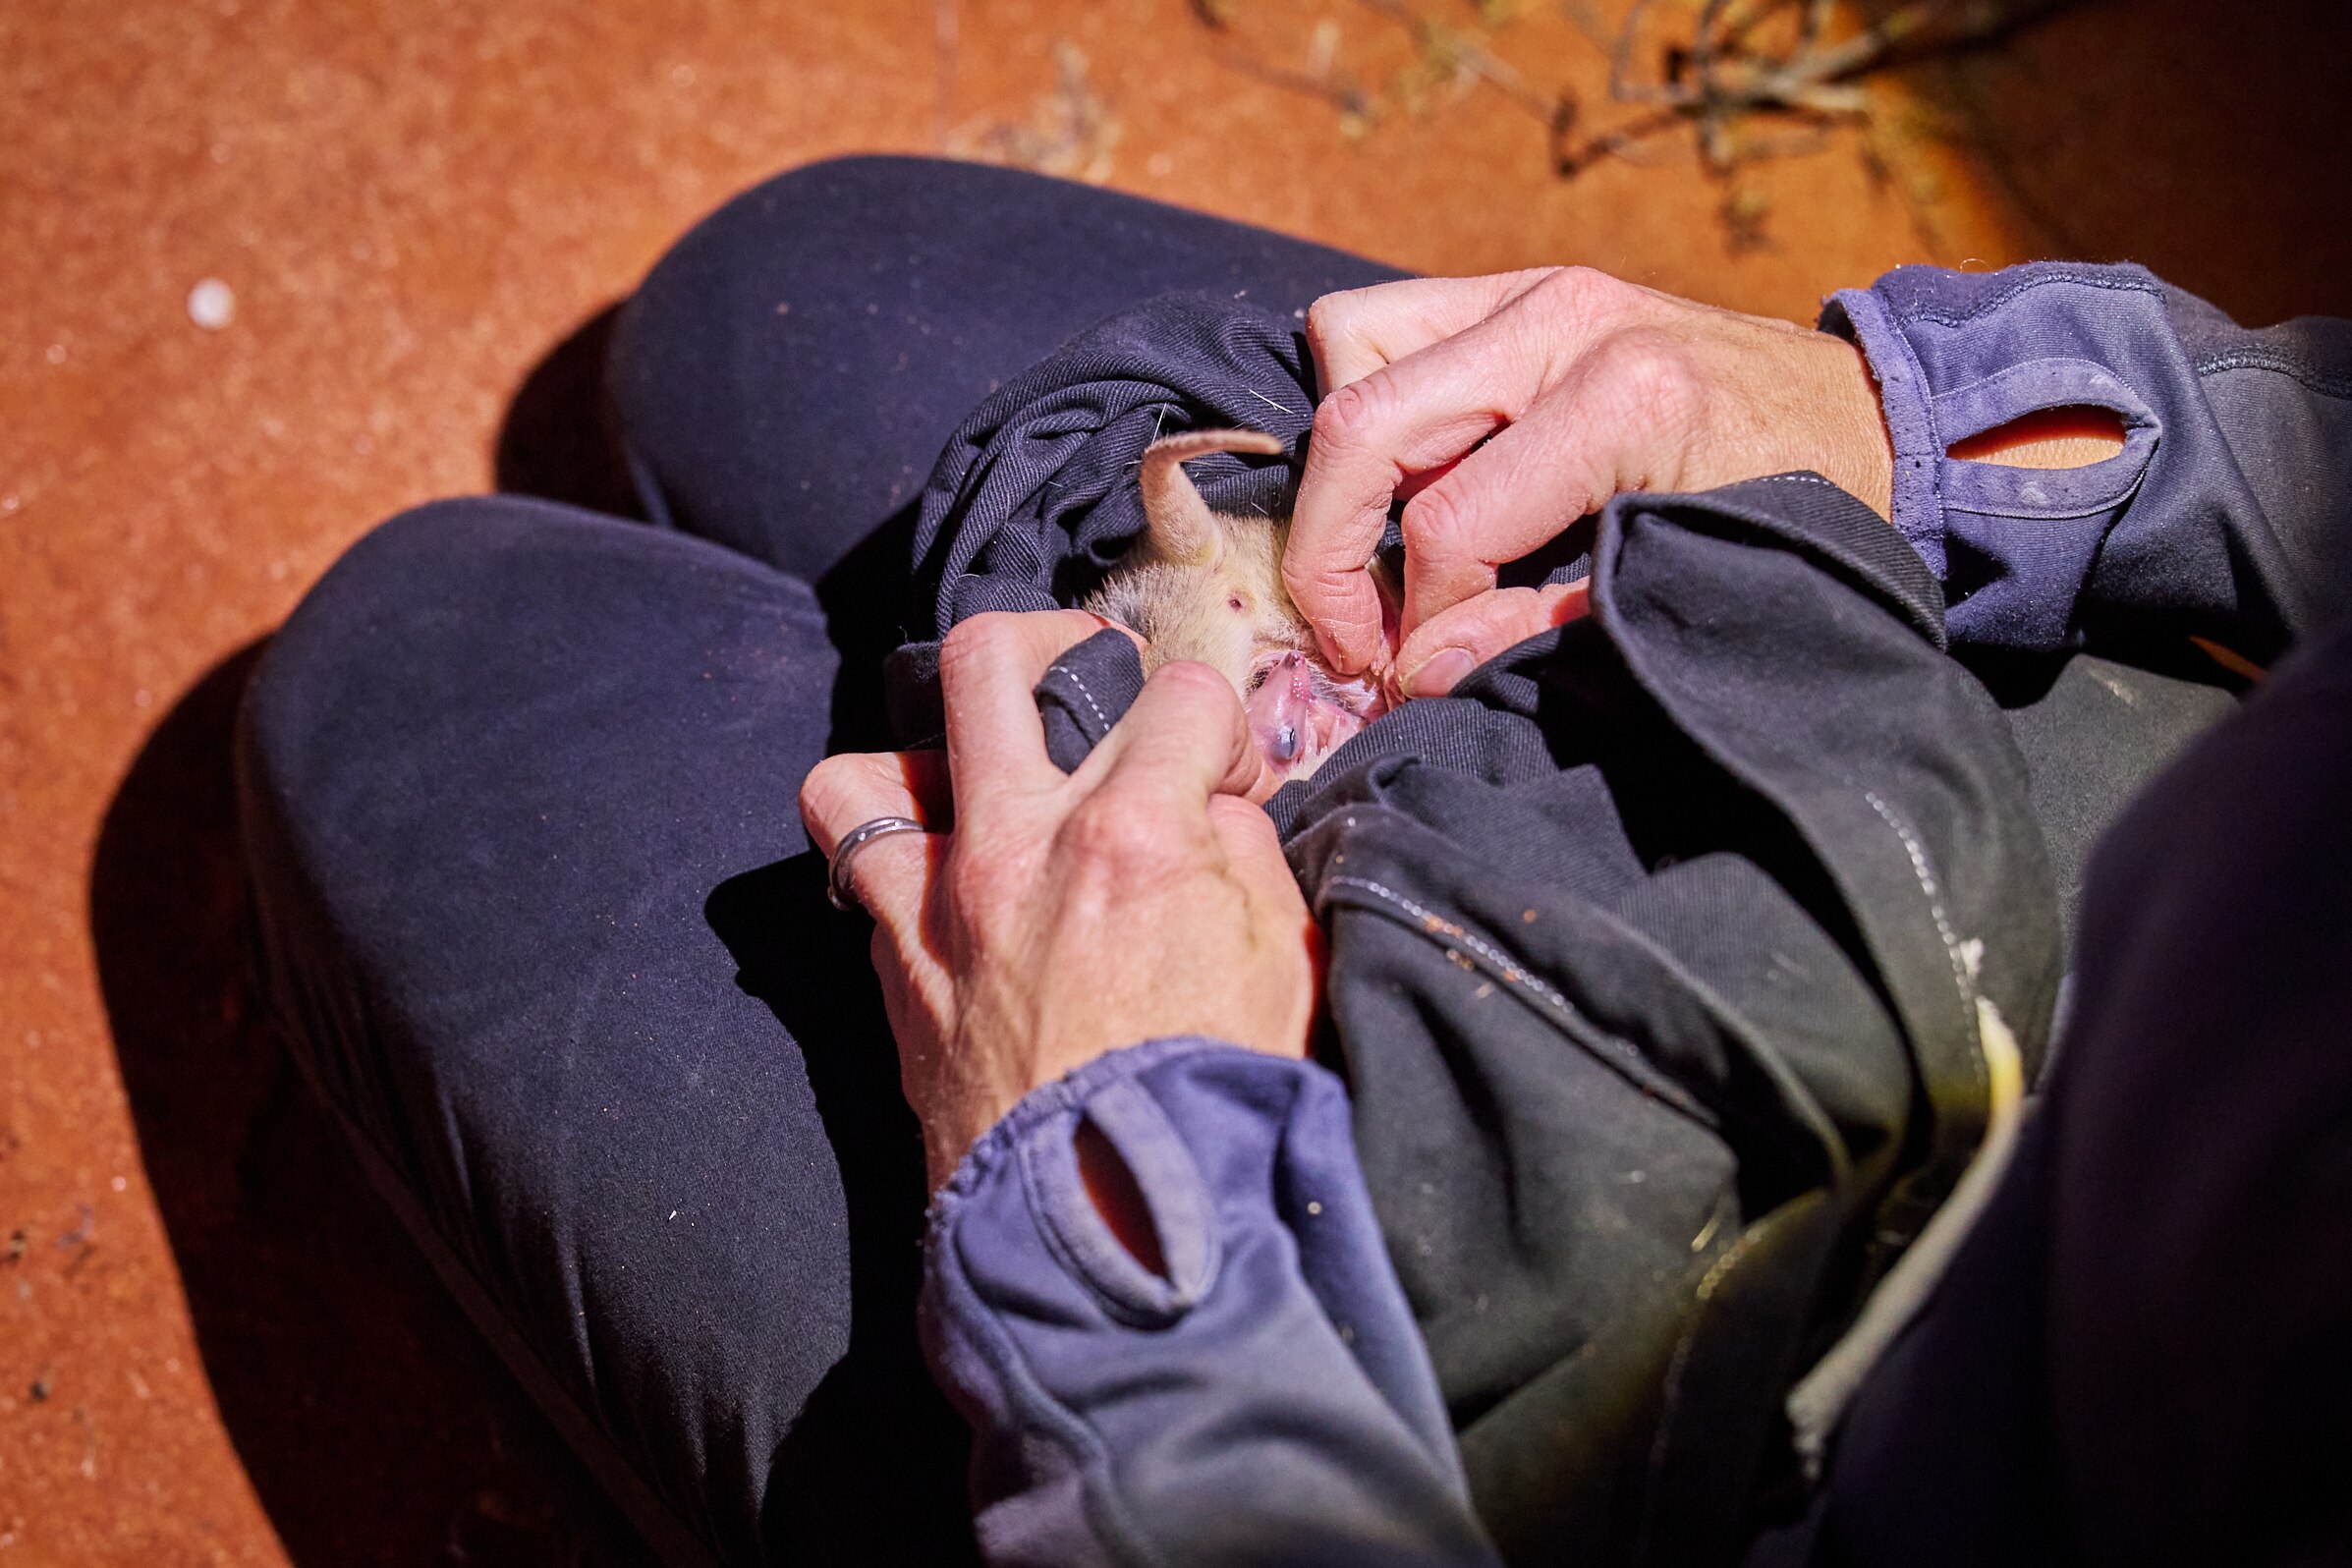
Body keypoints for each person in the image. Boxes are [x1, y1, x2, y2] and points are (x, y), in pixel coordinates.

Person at [238, 156, 2350, 1567]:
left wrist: (1120, 1229)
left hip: (1534, 1468)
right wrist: (1985, 424)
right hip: (2045, 844)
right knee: (781, 303)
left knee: (407, 674)